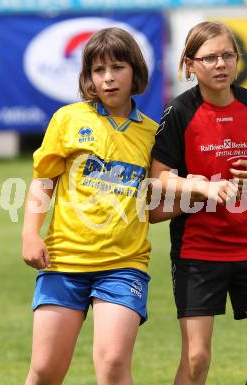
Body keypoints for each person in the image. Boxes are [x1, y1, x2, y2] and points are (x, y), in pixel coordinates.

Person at [150, 21, 247, 385]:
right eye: (210, 57)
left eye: (227, 55)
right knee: (197, 358)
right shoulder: (179, 111)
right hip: (198, 249)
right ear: (189, 64)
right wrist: (202, 189)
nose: (220, 64)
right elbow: (158, 178)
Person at [21, 27, 158, 385]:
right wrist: (29, 233)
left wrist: (205, 193)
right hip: (64, 261)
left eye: (117, 67)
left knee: (113, 364)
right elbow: (43, 180)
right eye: (99, 70)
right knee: (46, 370)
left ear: (135, 71)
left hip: (123, 266)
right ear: (88, 77)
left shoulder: (153, 134)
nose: (108, 78)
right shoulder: (68, 119)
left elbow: (158, 202)